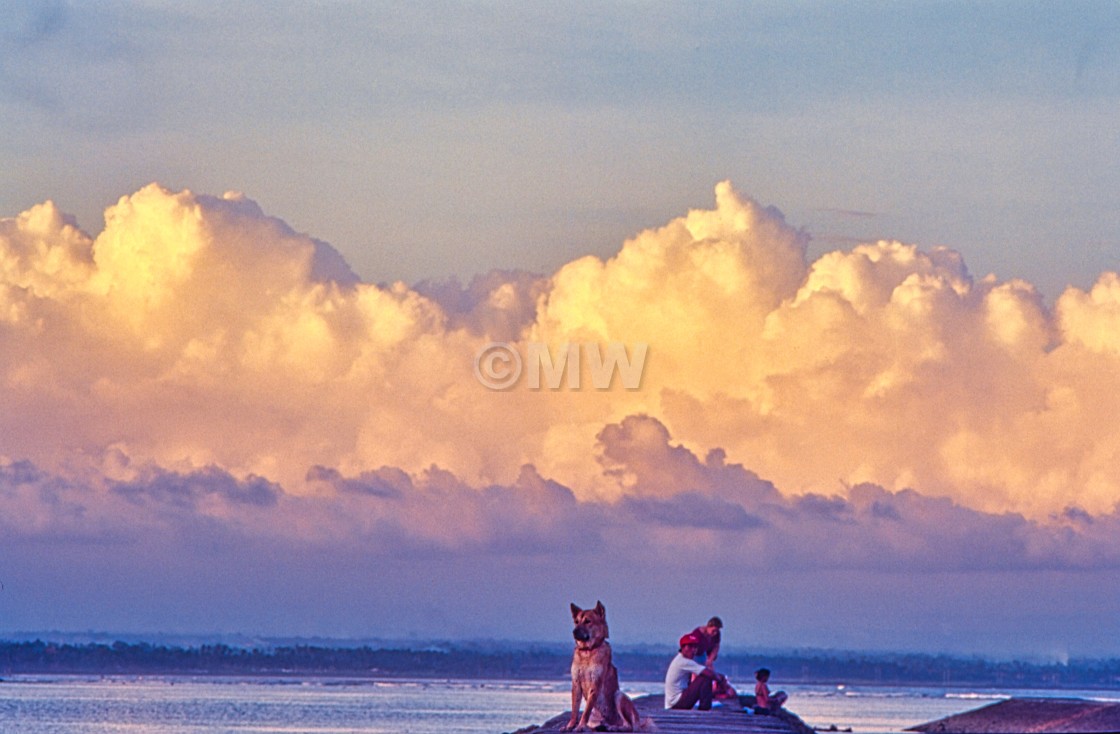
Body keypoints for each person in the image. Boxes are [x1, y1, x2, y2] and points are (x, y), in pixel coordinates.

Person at [664, 633, 731, 710]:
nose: (693, 650)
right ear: (682, 648)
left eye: (695, 647)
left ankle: (704, 707)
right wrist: (721, 680)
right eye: (690, 647)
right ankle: (704, 709)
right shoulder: (683, 661)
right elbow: (708, 673)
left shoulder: (681, 659)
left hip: (674, 702)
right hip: (675, 704)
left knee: (704, 677)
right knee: (706, 677)